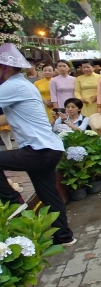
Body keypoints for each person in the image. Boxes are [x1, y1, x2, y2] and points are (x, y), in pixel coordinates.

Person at [0, 44, 76, 246]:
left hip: (39, 150)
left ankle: (12, 199)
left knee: (48, 193)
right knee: (48, 194)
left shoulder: (12, 86)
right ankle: (64, 236)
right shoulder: (23, 85)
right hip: (48, 149)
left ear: (5, 67)